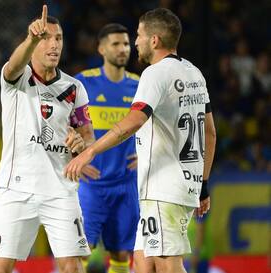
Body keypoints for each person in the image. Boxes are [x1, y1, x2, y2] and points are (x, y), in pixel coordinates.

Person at [64, 8, 216, 273]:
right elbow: (210, 133)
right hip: (180, 184)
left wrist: (90, 152)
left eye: (138, 35)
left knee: (168, 263)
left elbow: (131, 123)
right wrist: (203, 184)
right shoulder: (194, 73)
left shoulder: (154, 74)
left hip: (163, 187)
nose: (135, 43)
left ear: (154, 40)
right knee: (142, 260)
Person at [0, 5, 95, 273]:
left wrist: (82, 146)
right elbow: (12, 66)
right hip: (16, 188)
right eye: (46, 38)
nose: (54, 44)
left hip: (60, 188)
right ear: (34, 42)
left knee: (72, 265)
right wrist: (31, 39)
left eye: (58, 38)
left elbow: (88, 136)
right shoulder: (17, 79)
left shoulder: (74, 87)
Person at [75, 23, 139, 273]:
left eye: (126, 44)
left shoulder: (139, 85)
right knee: (81, 251)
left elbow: (159, 127)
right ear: (101, 48)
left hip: (126, 184)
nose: (123, 49)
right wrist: (73, 158)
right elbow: (60, 121)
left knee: (122, 254)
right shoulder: (83, 83)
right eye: (116, 44)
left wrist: (146, 156)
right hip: (91, 185)